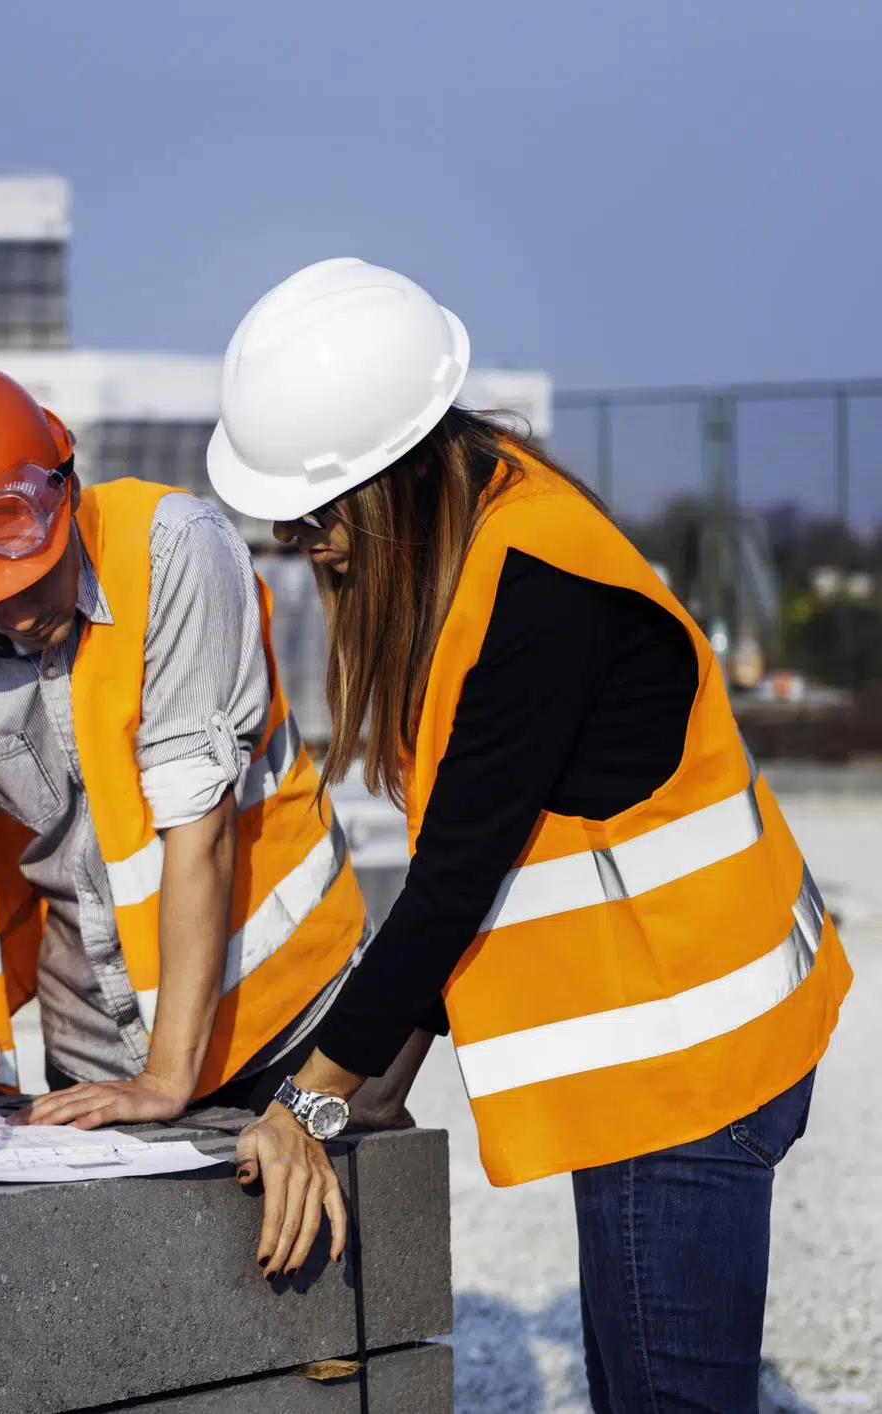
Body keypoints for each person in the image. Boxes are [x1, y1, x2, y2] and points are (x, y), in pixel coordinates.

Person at [207, 257, 850, 1409]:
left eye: (311, 514)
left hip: (690, 1069)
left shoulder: (530, 593)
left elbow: (453, 879)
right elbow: (505, 865)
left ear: (385, 481)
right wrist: (377, 1075)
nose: (301, 542)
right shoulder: (494, 535)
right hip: (670, 1051)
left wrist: (310, 1100)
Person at [0, 361, 379, 1131]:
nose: (20, 616)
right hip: (94, 1039)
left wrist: (167, 1077)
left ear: (63, 485)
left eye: (33, 580)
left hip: (280, 1007)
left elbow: (199, 833)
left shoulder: (172, 550)